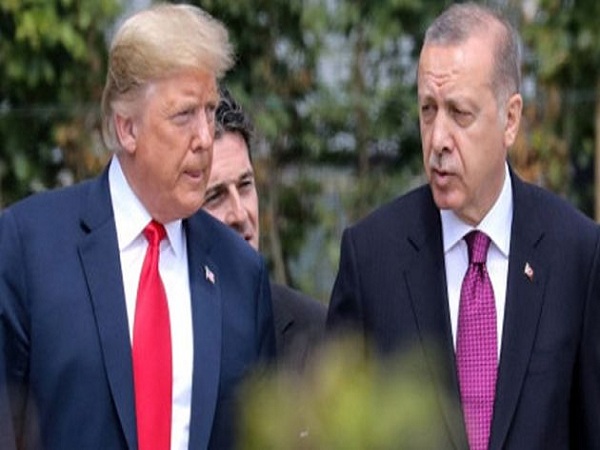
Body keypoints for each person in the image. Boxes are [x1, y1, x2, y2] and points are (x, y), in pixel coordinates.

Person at [0, 4, 275, 450]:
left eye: (209, 110)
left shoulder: (241, 274)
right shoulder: (29, 248)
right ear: (127, 128)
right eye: (184, 115)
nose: (206, 137)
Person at [327, 3, 600, 450]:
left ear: (510, 119)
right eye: (428, 110)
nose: (438, 139)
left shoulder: (577, 255)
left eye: (459, 113)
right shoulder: (372, 257)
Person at [202, 87, 326, 372]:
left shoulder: (317, 335)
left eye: (245, 186)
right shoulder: (163, 343)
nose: (239, 213)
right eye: (216, 196)